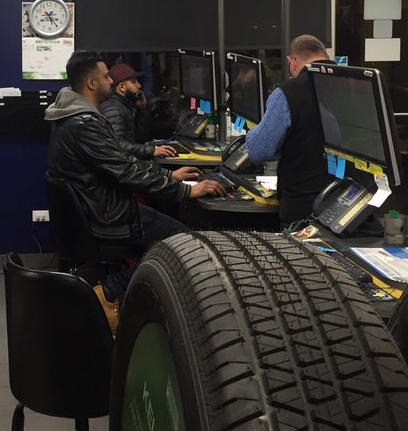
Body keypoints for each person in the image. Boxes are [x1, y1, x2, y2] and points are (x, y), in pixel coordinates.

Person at [45, 51, 227, 325]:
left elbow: (121, 160)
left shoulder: (73, 116)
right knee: (186, 243)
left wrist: (169, 175)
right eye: (106, 76)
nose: (111, 81)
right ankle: (109, 294)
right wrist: (186, 191)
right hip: (109, 215)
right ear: (91, 83)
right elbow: (126, 171)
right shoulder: (84, 123)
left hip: (99, 206)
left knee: (170, 233)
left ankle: (139, 303)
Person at [243, 34, 332, 227]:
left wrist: (253, 133)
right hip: (350, 205)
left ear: (292, 60)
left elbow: (259, 151)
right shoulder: (354, 84)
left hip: (302, 209)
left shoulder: (288, 92)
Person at [100, 62, 177, 160]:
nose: (139, 85)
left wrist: (143, 108)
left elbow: (139, 139)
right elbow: (117, 144)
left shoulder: (124, 106)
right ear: (122, 87)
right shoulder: (114, 109)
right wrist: (152, 150)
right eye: (133, 82)